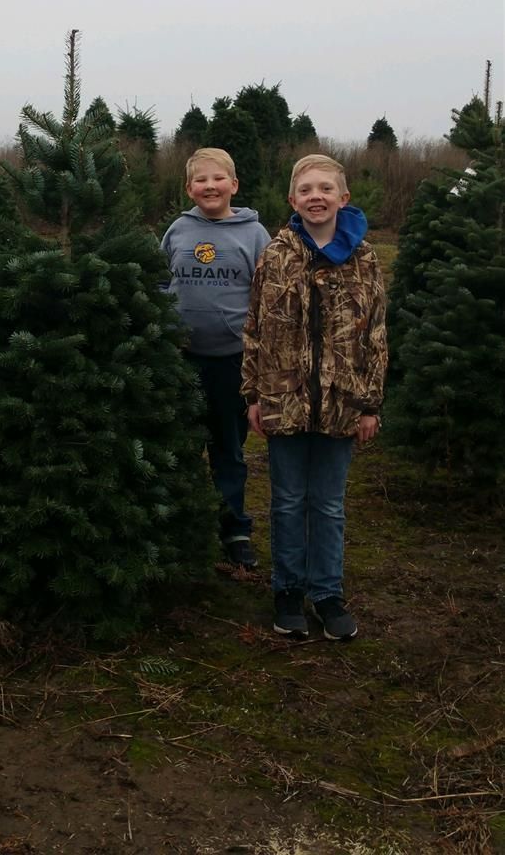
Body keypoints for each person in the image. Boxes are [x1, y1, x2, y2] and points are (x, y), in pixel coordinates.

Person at [242, 153, 387, 641]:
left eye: (325, 188)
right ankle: (287, 589)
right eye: (306, 190)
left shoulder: (365, 258)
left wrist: (370, 404)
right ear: (292, 200)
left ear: (343, 198)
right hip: (284, 398)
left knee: (327, 504)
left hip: (343, 401)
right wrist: (254, 396)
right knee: (286, 501)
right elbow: (256, 330)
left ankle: (326, 592)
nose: (316, 197)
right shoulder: (276, 255)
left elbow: (377, 337)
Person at [161, 147, 271, 568]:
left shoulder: (254, 234)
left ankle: (234, 528)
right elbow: (160, 281)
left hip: (231, 362)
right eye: (201, 180)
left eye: (218, 179)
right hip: (181, 359)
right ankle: (186, 525)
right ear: (189, 188)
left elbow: (264, 299)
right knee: (182, 445)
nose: (210, 186)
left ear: (234, 186)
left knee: (227, 447)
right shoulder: (178, 231)